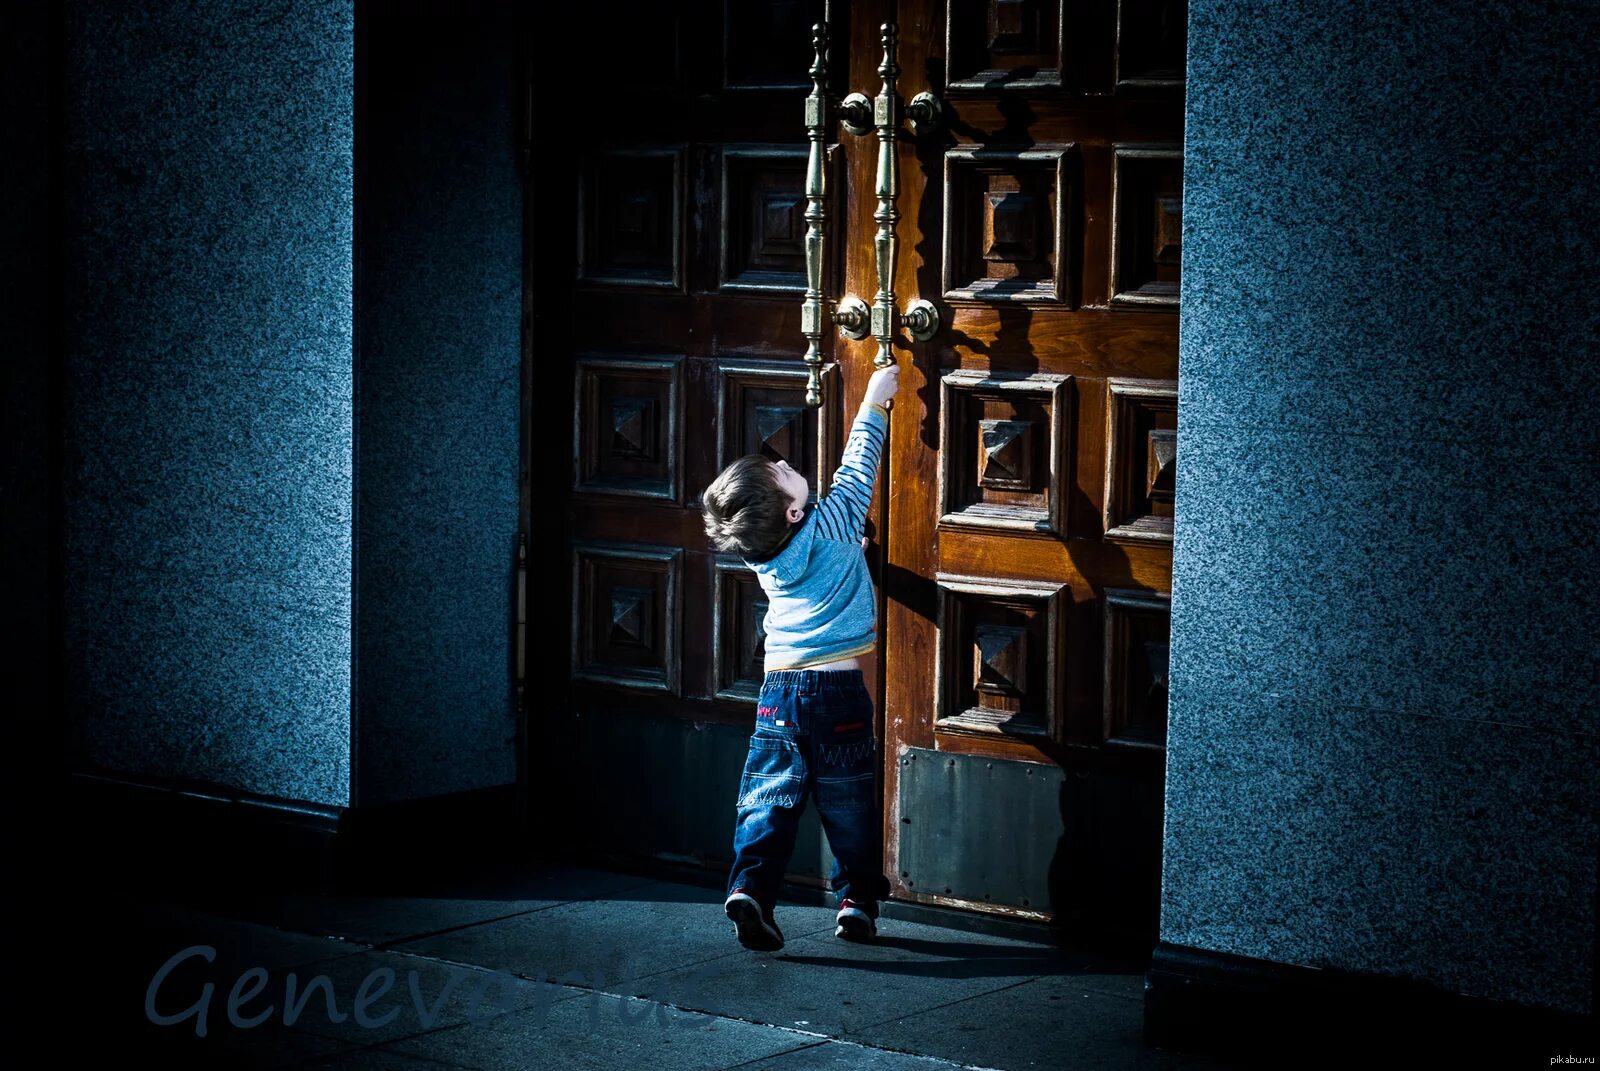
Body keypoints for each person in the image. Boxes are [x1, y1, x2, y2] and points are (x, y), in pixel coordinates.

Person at [699, 362, 901, 951]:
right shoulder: (835, 519)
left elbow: (817, 554)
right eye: (783, 473)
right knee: (848, 806)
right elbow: (859, 465)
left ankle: (751, 889)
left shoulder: (761, 553)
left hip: (778, 692)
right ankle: (859, 900)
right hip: (838, 695)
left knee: (768, 798)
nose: (789, 464)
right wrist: (875, 400)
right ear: (793, 512)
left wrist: (851, 552)